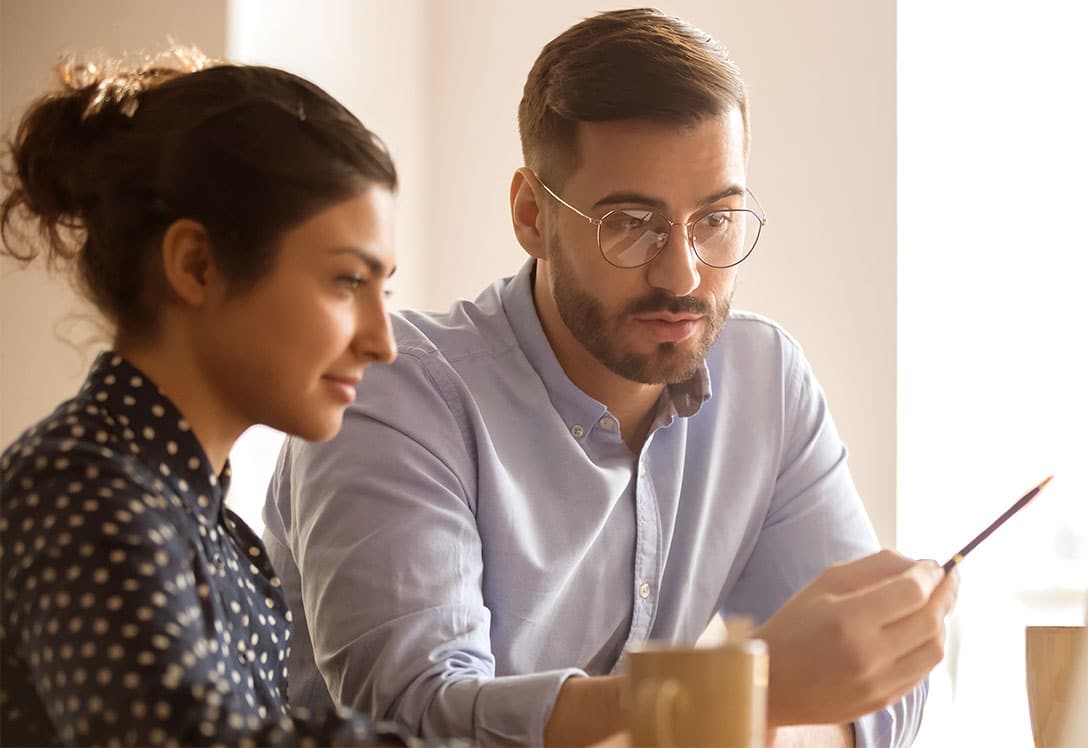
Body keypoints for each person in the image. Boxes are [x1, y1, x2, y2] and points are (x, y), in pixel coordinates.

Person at [263, 8, 958, 747]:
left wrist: (764, 707)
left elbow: (884, 698)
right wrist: (738, 699)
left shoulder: (765, 382)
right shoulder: (395, 389)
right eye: (632, 222)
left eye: (717, 220)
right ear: (533, 215)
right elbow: (418, 717)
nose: (682, 273)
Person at [0, 48, 413, 746]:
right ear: (196, 266)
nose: (382, 340)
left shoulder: (207, 525)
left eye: (385, 291)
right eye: (347, 282)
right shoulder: (79, 491)